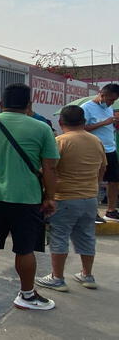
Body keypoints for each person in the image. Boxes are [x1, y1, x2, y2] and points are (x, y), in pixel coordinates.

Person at [0, 83, 60, 311]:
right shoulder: (42, 128)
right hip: (27, 197)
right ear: (29, 105)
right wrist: (50, 197)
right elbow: (50, 168)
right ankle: (26, 296)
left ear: (0, 105)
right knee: (25, 249)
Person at [35, 106, 106, 292]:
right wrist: (93, 185)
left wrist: (46, 193)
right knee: (87, 236)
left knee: (59, 236)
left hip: (65, 197)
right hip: (90, 197)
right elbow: (102, 168)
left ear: (61, 123)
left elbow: (49, 169)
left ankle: (57, 278)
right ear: (84, 122)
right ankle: (87, 275)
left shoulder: (60, 141)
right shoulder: (96, 141)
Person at [82, 83, 119, 221]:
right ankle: (93, 211)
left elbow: (108, 125)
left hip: (110, 148)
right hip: (94, 149)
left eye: (114, 101)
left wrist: (113, 122)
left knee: (114, 180)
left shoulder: (109, 109)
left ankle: (111, 210)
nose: (111, 103)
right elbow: (81, 128)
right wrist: (104, 122)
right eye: (109, 100)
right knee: (95, 181)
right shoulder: (86, 108)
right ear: (102, 94)